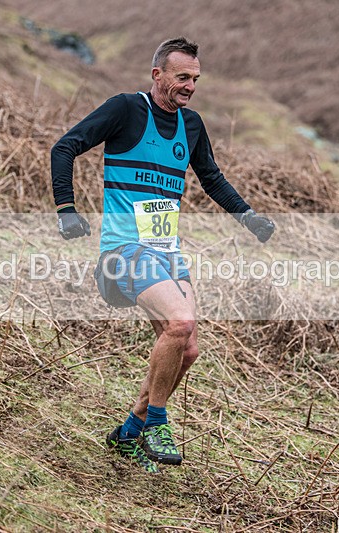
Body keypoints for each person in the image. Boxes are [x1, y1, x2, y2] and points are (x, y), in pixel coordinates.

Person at [51, 37, 275, 473]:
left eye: (195, 79)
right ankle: (157, 422)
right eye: (182, 77)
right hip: (123, 251)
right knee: (180, 323)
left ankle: (130, 431)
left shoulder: (192, 126)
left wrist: (248, 217)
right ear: (158, 75)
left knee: (187, 349)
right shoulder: (125, 109)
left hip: (166, 252)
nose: (190, 86)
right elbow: (65, 147)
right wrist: (66, 210)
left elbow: (211, 178)